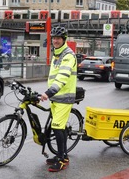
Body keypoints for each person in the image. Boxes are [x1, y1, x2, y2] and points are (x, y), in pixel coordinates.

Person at [40, 26, 77, 172]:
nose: (55, 40)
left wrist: (48, 92)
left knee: (56, 127)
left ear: (64, 39)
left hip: (64, 97)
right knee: (59, 127)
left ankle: (61, 160)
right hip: (56, 97)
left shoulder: (68, 55)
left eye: (58, 38)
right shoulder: (57, 54)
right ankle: (63, 155)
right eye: (54, 38)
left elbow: (62, 76)